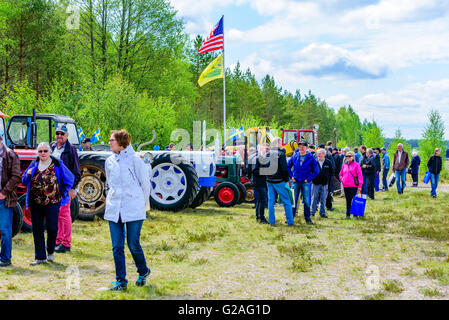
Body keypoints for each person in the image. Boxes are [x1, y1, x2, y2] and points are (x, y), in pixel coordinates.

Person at [105, 129, 151, 291]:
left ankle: (143, 271)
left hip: (134, 208)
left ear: (122, 144)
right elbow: (109, 183)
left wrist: (140, 205)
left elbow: (145, 185)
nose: (109, 142)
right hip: (114, 208)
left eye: (112, 140)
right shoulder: (109, 161)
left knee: (133, 243)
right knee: (117, 246)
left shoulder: (135, 161)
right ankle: (121, 281)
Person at [22, 142, 75, 265]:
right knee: (37, 229)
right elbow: (24, 181)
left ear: (49, 152)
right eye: (40, 151)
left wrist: (63, 192)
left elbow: (70, 178)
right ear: (37, 153)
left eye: (45, 151)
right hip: (36, 202)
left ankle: (50, 251)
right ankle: (40, 257)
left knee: (52, 228)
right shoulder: (34, 163)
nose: (43, 153)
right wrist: (28, 174)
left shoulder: (57, 163)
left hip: (53, 202)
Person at [50, 125, 81, 253]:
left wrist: (73, 188)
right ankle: (58, 240)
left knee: (64, 214)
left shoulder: (71, 149)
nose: (59, 136)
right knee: (56, 215)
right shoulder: (52, 147)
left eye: (62, 134)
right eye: (57, 133)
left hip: (64, 187)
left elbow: (76, 171)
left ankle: (66, 243)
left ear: (67, 135)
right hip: (52, 186)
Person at [0, 135, 21, 267]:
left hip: (3, 198)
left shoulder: (10, 155)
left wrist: (3, 193)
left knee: (4, 229)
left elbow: (16, 176)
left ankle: (6, 258)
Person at [287, 141, 319, 224]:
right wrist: (291, 176)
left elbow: (316, 171)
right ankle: (291, 218)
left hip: (306, 182)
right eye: (300, 146)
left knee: (306, 200)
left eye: (303, 146)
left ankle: (307, 218)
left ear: (307, 148)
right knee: (293, 200)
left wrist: (308, 179)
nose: (301, 148)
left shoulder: (310, 157)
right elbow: (287, 167)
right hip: (295, 181)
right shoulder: (295, 156)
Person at [266, 138, 294, 226]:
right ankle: (290, 221)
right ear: (278, 143)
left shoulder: (267, 154)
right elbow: (284, 169)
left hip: (269, 180)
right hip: (279, 180)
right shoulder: (281, 154)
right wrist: (286, 180)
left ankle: (271, 222)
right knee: (287, 201)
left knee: (271, 201)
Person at [247, 143, 269, 224]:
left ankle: (259, 217)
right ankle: (261, 218)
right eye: (265, 149)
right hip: (258, 182)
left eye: (268, 149)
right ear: (260, 149)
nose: (267, 150)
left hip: (261, 181)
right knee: (262, 200)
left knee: (260, 200)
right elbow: (255, 170)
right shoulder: (257, 158)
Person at [339, 151, 363, 219]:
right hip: (346, 185)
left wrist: (360, 185)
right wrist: (342, 180)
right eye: (346, 156)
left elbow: (360, 175)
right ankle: (348, 215)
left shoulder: (356, 165)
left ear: (353, 157)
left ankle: (355, 215)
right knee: (348, 200)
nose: (348, 157)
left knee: (354, 200)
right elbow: (341, 174)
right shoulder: (344, 165)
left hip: (353, 186)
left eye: (349, 156)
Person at [311, 148, 332, 218]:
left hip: (324, 184)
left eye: (320, 154)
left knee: (323, 199)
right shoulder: (314, 162)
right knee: (314, 198)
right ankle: (312, 212)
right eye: (318, 154)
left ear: (324, 154)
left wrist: (328, 182)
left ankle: (322, 213)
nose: (318, 155)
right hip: (315, 183)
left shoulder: (328, 162)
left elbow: (331, 173)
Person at [325, 147, 336, 212]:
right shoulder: (329, 156)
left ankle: (315, 207)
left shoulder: (316, 155)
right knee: (328, 191)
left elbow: (333, 167)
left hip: (325, 177)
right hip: (327, 177)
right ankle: (328, 206)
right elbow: (333, 167)